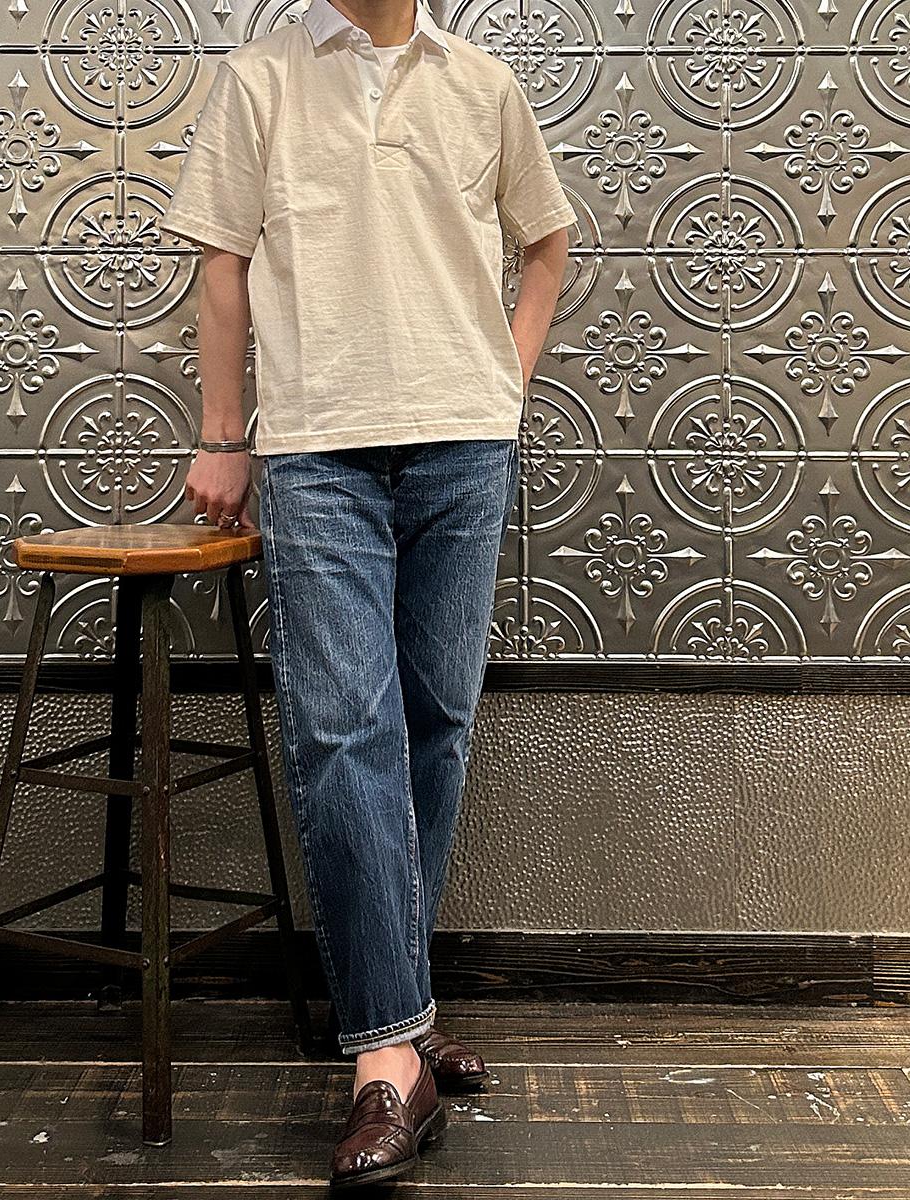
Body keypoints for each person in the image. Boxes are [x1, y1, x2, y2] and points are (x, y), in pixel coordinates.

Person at [159, 0, 573, 1185]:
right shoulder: (262, 76)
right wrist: (222, 432)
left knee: (436, 722)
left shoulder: (483, 81)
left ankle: (403, 1009)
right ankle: (388, 1062)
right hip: (317, 451)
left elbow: (547, 243)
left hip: (464, 448)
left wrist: (503, 384)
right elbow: (223, 265)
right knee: (347, 732)